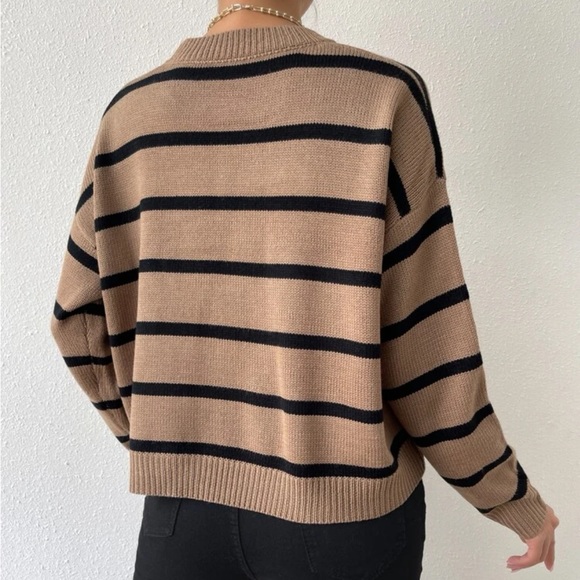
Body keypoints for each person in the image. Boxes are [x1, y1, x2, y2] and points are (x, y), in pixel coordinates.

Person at [49, 2, 559, 578]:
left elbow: (77, 320)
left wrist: (162, 435)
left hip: (181, 519)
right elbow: (428, 346)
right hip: (340, 525)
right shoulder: (380, 94)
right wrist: (512, 499)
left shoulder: (131, 114)